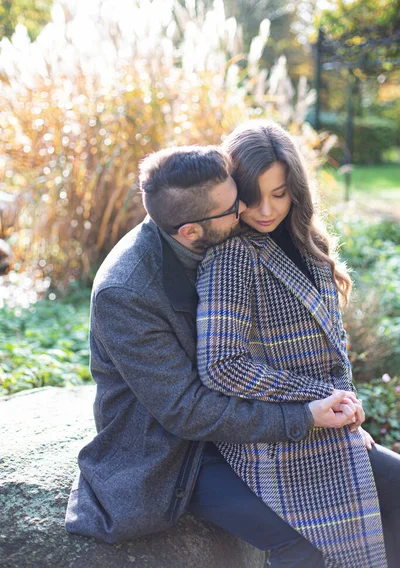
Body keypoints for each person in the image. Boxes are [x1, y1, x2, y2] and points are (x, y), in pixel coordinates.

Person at [64, 145, 360, 562]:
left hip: (240, 429)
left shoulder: (215, 239)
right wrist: (304, 417)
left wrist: (333, 406)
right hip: (173, 456)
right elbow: (184, 412)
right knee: (307, 537)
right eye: (233, 206)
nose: (246, 209)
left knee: (384, 489)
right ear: (190, 231)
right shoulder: (126, 292)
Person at [195, 121, 400, 568]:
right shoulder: (232, 256)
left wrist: (345, 408)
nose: (266, 210)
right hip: (273, 438)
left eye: (280, 193)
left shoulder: (310, 242)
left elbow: (335, 343)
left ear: (297, 190)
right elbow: (221, 364)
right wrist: (322, 399)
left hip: (327, 423)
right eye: (252, 196)